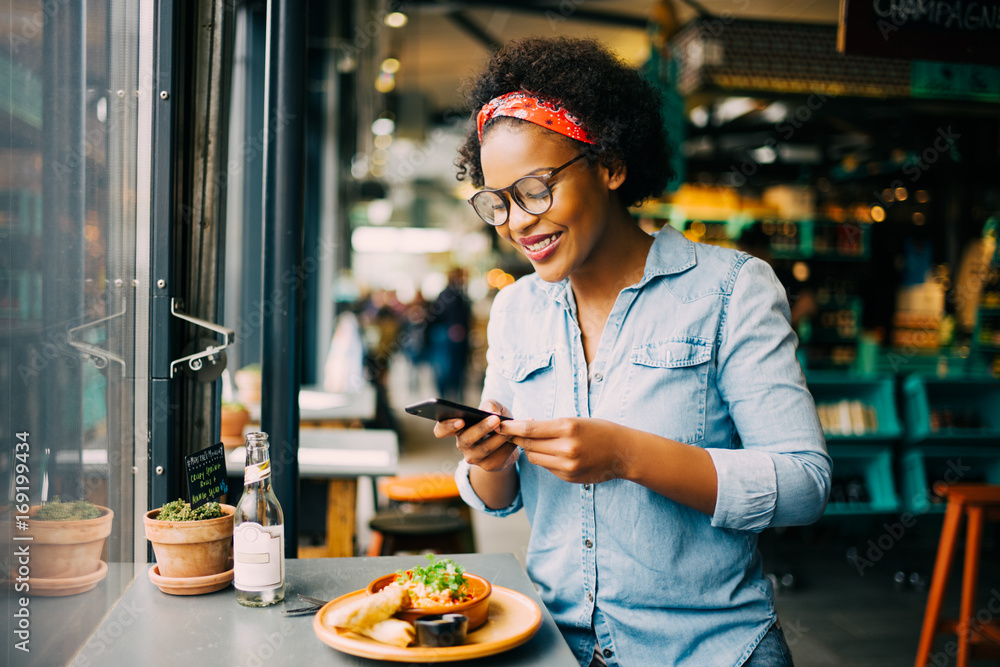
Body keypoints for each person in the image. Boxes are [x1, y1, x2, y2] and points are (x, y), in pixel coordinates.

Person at [434, 37, 831, 667]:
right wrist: (487, 456)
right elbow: (495, 495)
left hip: (708, 651)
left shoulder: (729, 290)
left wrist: (624, 454)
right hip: (557, 647)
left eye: (536, 188)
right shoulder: (518, 310)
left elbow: (805, 484)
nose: (518, 222)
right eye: (499, 202)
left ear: (611, 166)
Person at [426, 267, 472, 402]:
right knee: (448, 368)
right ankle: (449, 396)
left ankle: (448, 396)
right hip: (448, 337)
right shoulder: (453, 294)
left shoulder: (448, 294)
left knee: (448, 368)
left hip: (446, 336)